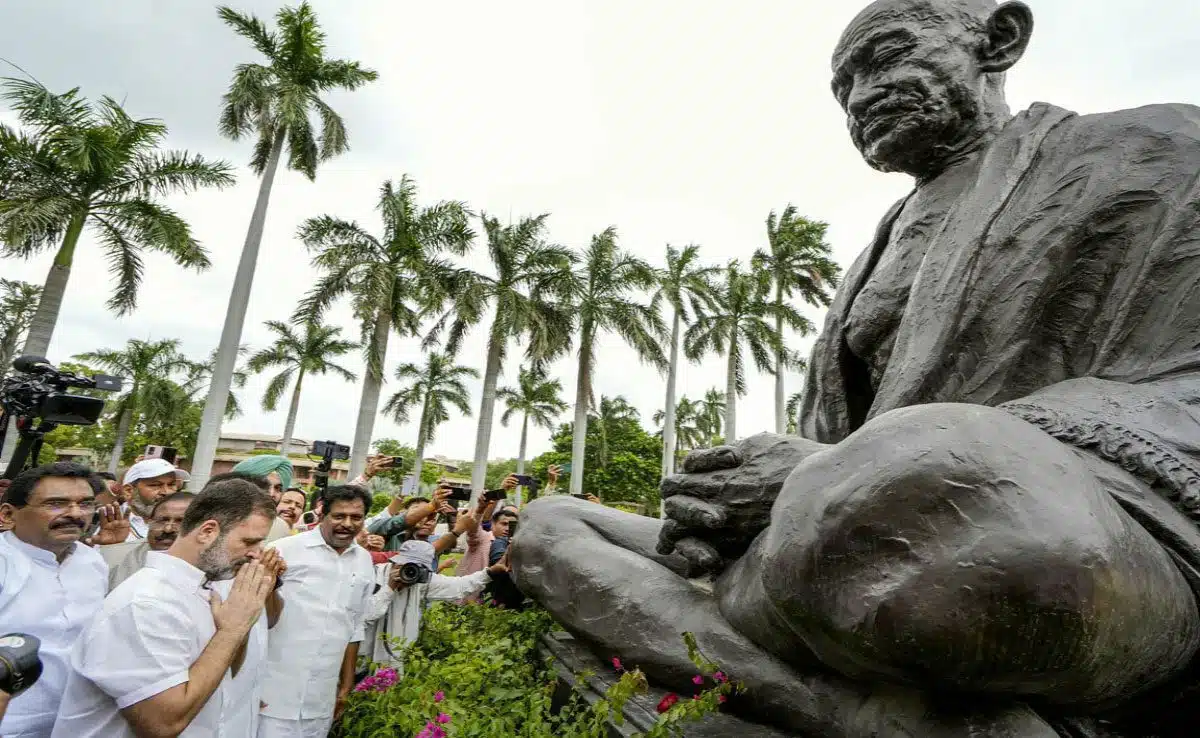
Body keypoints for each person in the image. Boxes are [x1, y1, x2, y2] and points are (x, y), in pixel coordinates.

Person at [514, 1, 1200, 736]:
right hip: (849, 549)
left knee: (935, 479)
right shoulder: (881, 247)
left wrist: (831, 470)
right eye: (842, 89)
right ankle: (848, 712)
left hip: (1076, 539)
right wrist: (734, 508)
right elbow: (830, 460)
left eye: (888, 57)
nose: (861, 95)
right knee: (551, 528)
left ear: (998, 40)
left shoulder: (1153, 150)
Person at [50, 477, 280, 738]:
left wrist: (239, 625)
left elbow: (225, 673)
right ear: (207, 531)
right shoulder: (146, 604)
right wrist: (231, 632)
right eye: (249, 542)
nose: (256, 553)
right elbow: (163, 724)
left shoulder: (206, 587)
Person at [258, 484, 376, 738]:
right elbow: (251, 620)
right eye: (339, 516)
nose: (347, 524)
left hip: (320, 702)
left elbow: (354, 626)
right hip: (271, 695)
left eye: (356, 517)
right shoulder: (283, 550)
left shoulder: (365, 561)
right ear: (322, 514)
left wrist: (345, 687)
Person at [0, 463, 108, 738]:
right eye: (56, 504)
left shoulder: (92, 561)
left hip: (74, 724)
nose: (75, 514)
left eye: (85, 504)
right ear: (8, 514)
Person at [361, 539, 508, 672]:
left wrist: (490, 572)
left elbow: (459, 586)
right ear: (394, 561)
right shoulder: (373, 575)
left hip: (394, 660)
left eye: (417, 567)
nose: (410, 571)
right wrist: (389, 589)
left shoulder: (421, 580)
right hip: (362, 659)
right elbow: (365, 617)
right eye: (405, 564)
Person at [101, 491, 195, 592]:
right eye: (161, 520)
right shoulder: (115, 557)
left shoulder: (209, 563)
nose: (168, 529)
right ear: (149, 521)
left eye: (180, 522)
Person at [120, 458, 189, 542]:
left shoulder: (186, 523)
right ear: (129, 491)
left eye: (171, 485)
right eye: (155, 485)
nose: (166, 492)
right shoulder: (106, 521)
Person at [232, 456, 295, 543]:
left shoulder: (281, 528)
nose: (271, 494)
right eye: (264, 486)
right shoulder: (218, 518)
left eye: (278, 489)